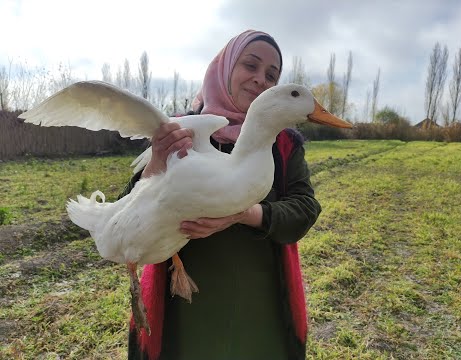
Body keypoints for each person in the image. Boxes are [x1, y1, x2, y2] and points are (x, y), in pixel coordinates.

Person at [120, 29, 321, 360]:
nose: (260, 80)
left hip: (262, 309)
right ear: (225, 68)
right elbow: (127, 207)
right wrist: (156, 163)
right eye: (250, 66)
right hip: (185, 308)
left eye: (271, 75)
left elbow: (304, 209)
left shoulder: (284, 145)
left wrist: (243, 212)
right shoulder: (179, 132)